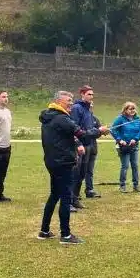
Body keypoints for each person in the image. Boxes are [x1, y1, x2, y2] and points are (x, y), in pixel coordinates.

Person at [39, 90, 107, 244]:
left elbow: (72, 135)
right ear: (58, 102)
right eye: (68, 101)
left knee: (54, 195)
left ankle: (44, 231)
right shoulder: (62, 118)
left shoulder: (49, 116)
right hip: (63, 162)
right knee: (65, 198)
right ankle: (66, 235)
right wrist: (99, 131)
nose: (71, 103)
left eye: (71, 100)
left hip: (52, 161)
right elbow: (82, 134)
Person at [70, 85, 103, 208]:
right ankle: (71, 199)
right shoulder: (77, 108)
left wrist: (99, 131)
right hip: (80, 146)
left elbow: (91, 128)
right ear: (82, 94)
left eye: (92, 94)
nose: (91, 96)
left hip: (89, 144)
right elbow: (74, 128)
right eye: (89, 94)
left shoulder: (88, 109)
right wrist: (78, 144)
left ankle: (75, 198)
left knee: (82, 173)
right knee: (76, 173)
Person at [111, 101, 140, 193]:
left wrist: (136, 139)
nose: (132, 111)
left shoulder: (137, 119)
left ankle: (136, 185)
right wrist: (119, 140)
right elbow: (113, 130)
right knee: (125, 166)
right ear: (125, 110)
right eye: (130, 109)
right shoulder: (120, 119)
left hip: (134, 146)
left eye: (133, 109)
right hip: (124, 146)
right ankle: (122, 186)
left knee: (135, 165)